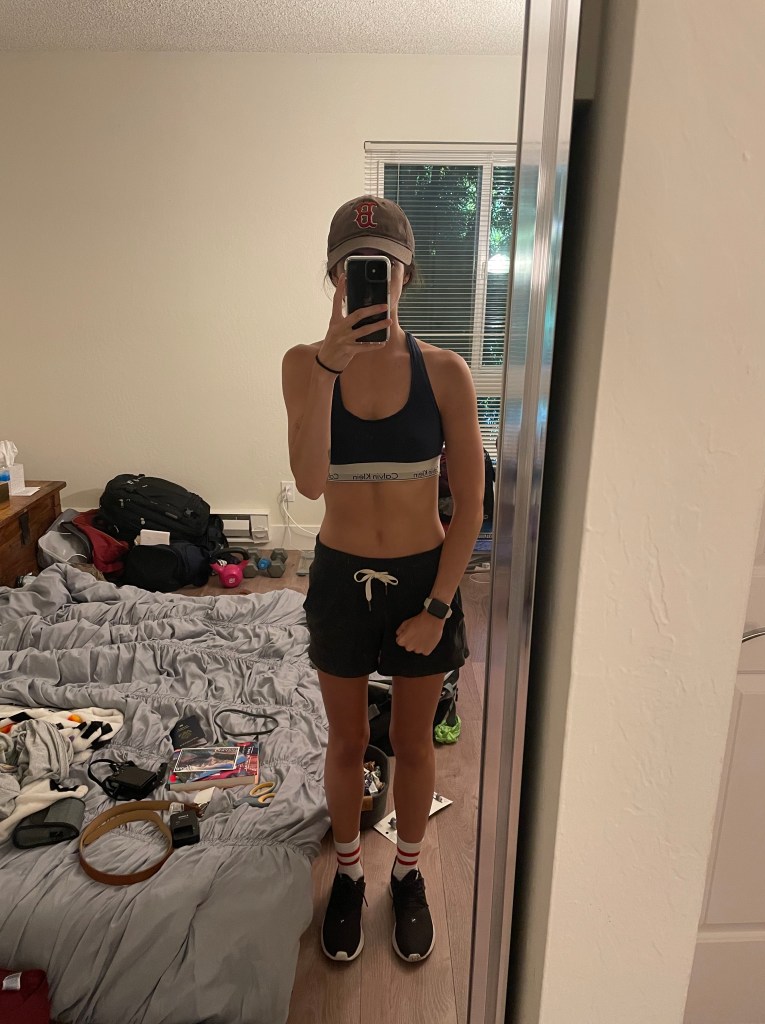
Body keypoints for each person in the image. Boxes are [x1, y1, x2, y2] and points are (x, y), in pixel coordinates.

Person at [282, 196, 484, 963]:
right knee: (346, 739)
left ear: (406, 275)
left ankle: (407, 873)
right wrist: (328, 373)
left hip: (420, 581)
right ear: (334, 278)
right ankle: (346, 875)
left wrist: (438, 607)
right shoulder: (302, 364)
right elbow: (309, 482)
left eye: (384, 267)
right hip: (340, 577)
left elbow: (472, 506)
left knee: (411, 738)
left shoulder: (445, 373)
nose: (369, 280)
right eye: (353, 268)